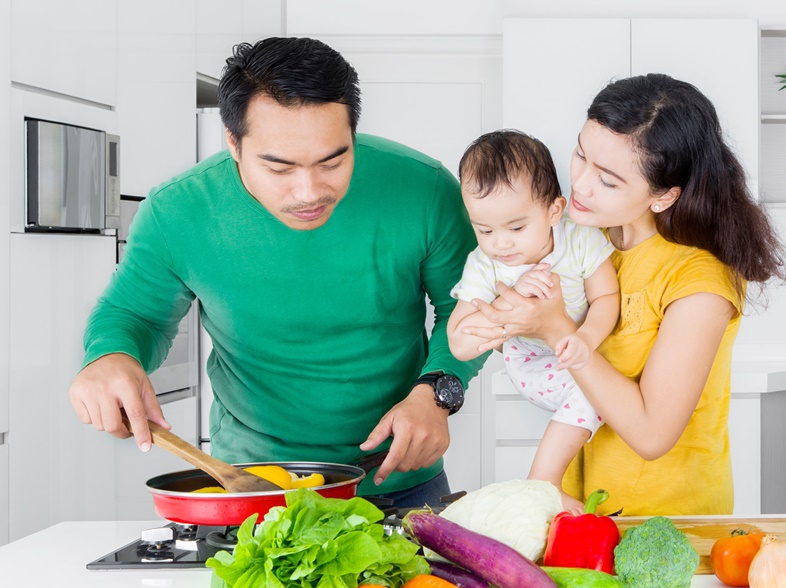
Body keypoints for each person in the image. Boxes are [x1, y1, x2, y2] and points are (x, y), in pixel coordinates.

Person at [68, 36, 483, 508]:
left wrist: (437, 393)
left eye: (333, 161)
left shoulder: (423, 189)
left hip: (399, 476)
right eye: (279, 168)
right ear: (233, 142)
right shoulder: (177, 212)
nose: (309, 192)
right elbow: (134, 314)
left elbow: (466, 309)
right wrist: (109, 355)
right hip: (253, 481)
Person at [462, 73, 786, 516]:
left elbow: (653, 435)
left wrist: (554, 326)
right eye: (581, 154)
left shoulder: (699, 278)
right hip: (579, 510)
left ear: (663, 196)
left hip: (664, 518)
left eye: (609, 180)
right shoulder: (581, 237)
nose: (580, 184)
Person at [447, 130, 620, 512]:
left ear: (554, 211)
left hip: (577, 348)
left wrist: (586, 339)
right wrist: (511, 302)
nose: (500, 244)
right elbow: (459, 342)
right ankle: (544, 482)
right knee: (590, 394)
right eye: (484, 230)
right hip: (532, 364)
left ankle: (544, 482)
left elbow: (607, 297)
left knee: (602, 387)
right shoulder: (484, 264)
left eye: (516, 227)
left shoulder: (580, 239)